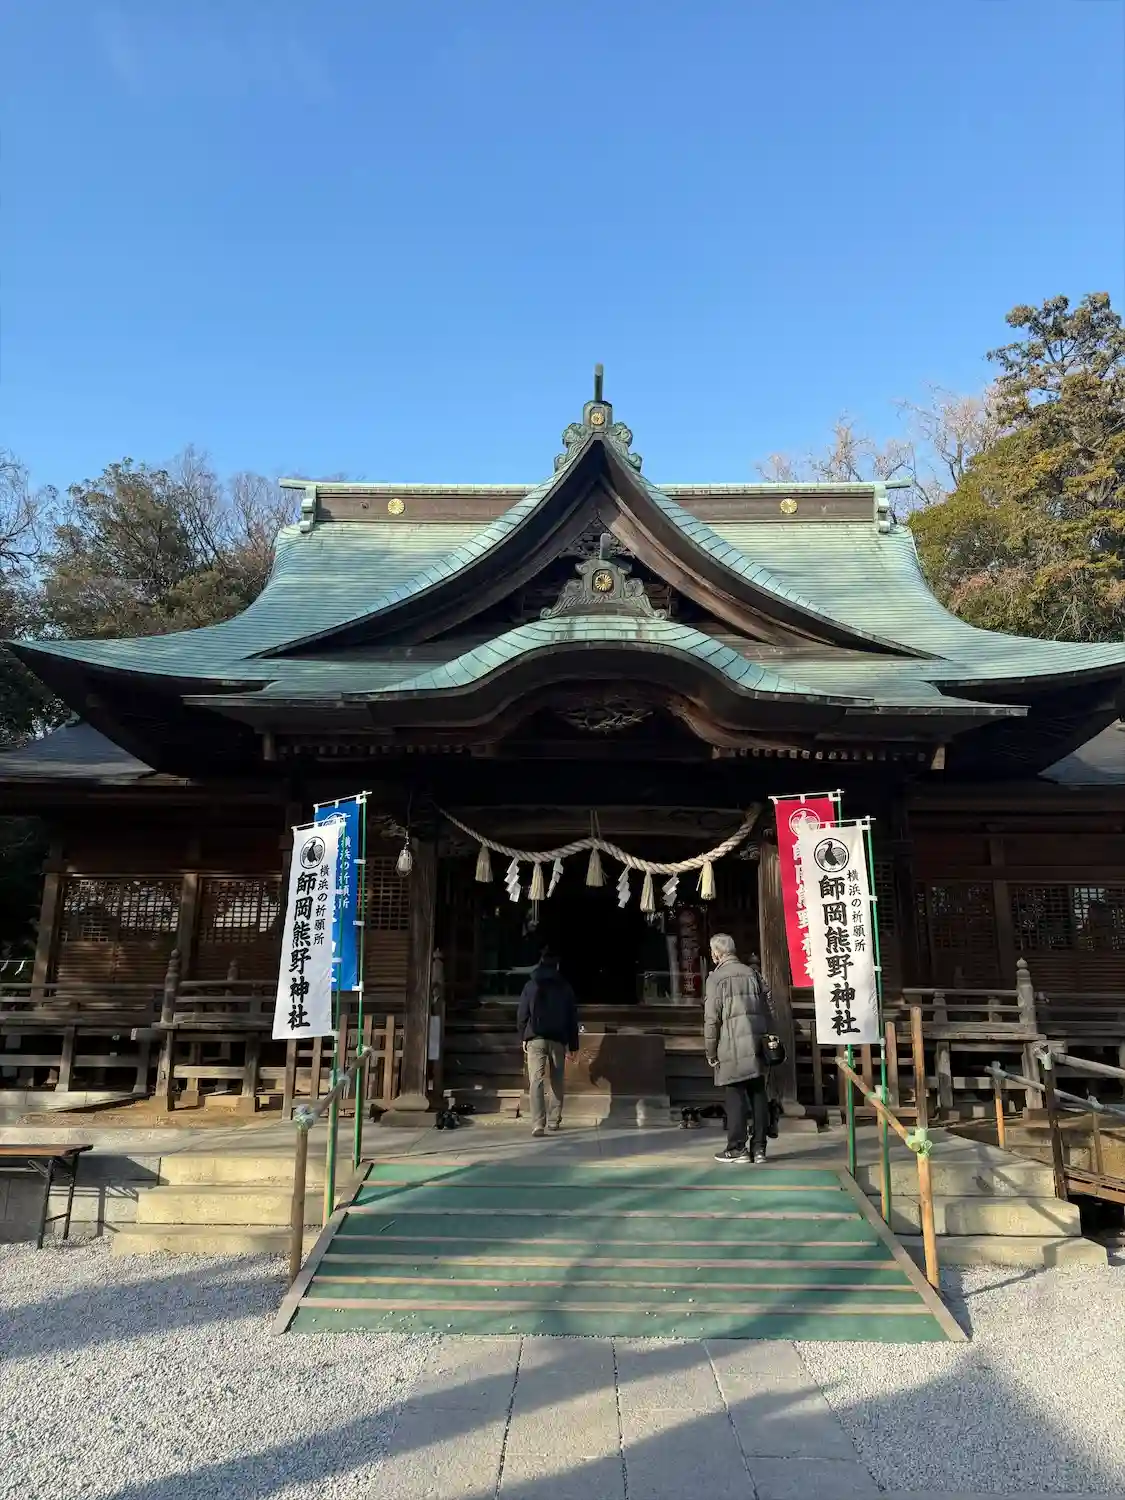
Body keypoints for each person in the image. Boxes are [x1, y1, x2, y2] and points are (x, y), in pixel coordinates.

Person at [703, 932, 775, 1164]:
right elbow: (768, 1007)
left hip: (731, 1044)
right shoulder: (752, 974)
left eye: (712, 951)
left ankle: (737, 1149)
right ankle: (760, 1149)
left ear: (717, 953)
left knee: (735, 1095)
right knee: (758, 1093)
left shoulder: (716, 979)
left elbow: (712, 1020)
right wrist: (769, 1036)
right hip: (756, 1042)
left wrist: (710, 1051)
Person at [517, 948, 580, 1138]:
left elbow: (522, 1014)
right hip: (558, 1040)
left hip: (535, 1038)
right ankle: (554, 1120)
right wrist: (573, 1045)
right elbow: (572, 1018)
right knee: (557, 1080)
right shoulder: (565, 988)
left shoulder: (530, 985)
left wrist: (523, 1036)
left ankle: (538, 1124)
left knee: (536, 1081)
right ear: (557, 966)